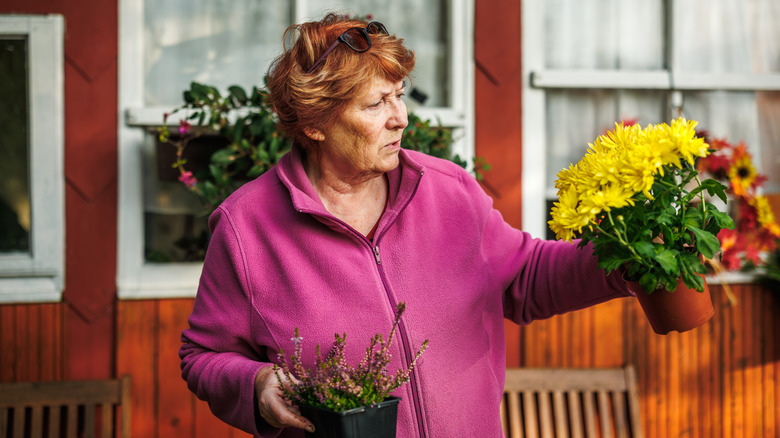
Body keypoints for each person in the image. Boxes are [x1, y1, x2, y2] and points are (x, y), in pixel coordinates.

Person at [179, 12, 633, 438]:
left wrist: (630, 257)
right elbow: (203, 356)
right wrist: (257, 383)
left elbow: (527, 275)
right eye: (376, 104)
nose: (401, 117)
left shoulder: (449, 190)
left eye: (398, 95)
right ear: (316, 124)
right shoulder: (246, 227)